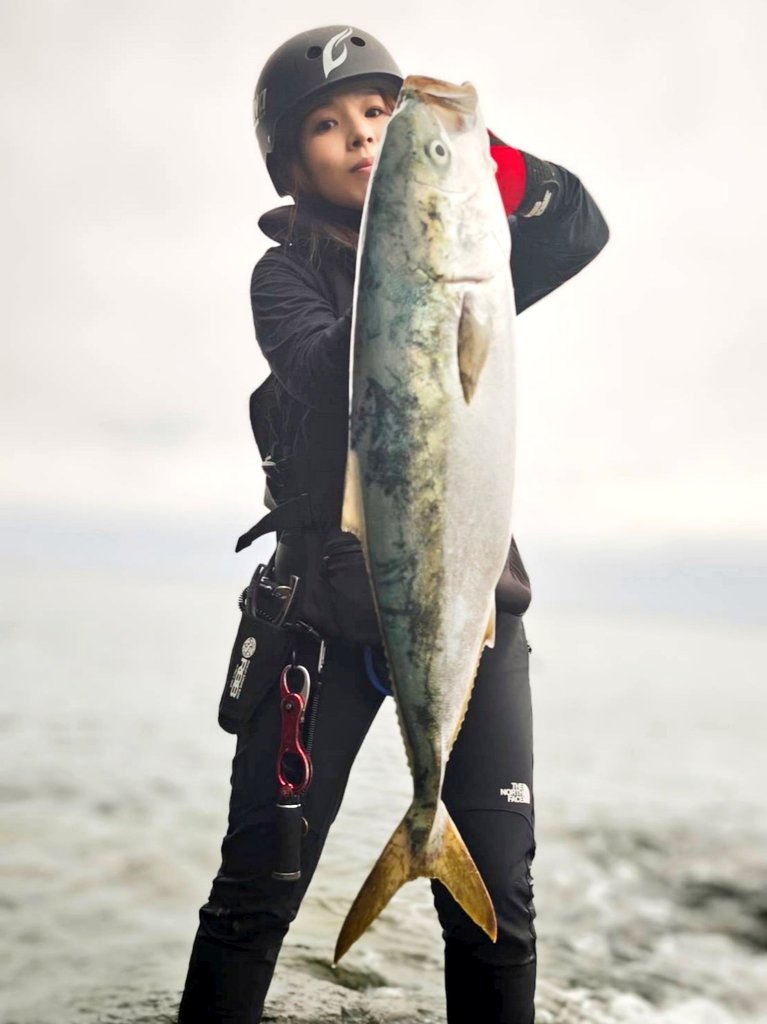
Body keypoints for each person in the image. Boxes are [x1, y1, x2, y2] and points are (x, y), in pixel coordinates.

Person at [177, 24, 609, 1024]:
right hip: (320, 614)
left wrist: (461, 149)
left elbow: (579, 229)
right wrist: (409, 272)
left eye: (377, 114)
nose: (361, 134)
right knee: (257, 889)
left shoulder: (474, 263)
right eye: (326, 125)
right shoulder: (282, 275)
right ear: (290, 166)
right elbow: (321, 368)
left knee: (498, 906)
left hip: (471, 611)